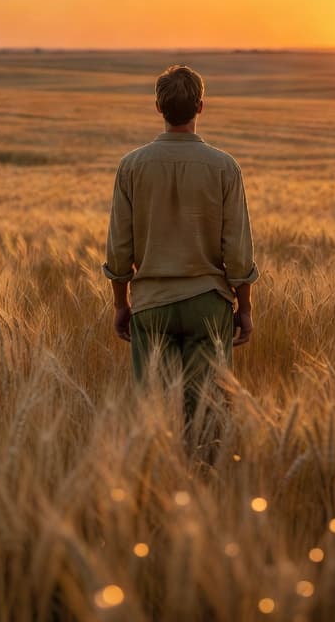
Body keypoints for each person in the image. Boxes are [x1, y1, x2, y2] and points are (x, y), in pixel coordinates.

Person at [102, 65, 259, 455]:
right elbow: (238, 252)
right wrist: (245, 309)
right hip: (208, 303)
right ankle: (202, 492)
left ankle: (157, 493)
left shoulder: (132, 166)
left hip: (151, 306)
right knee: (207, 421)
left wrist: (121, 305)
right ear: (201, 106)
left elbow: (119, 250)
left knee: (154, 420)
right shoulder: (224, 166)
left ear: (158, 107)